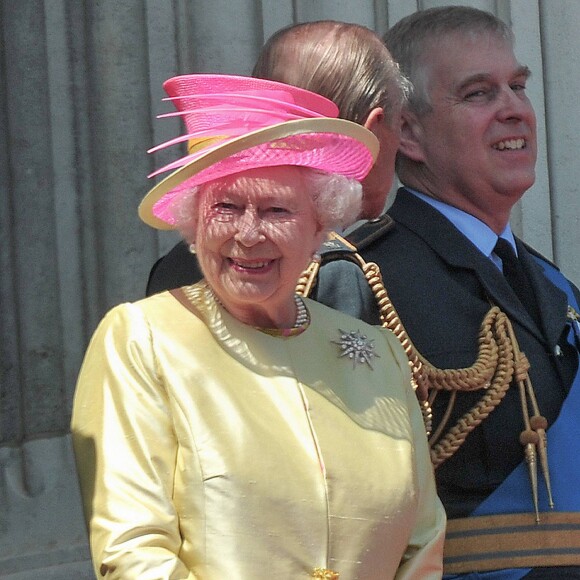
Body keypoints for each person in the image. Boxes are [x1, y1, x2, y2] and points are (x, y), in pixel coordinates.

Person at [71, 74, 445, 579]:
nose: (248, 235)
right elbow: (134, 550)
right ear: (194, 219)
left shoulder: (377, 352)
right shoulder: (142, 339)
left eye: (276, 210)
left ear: (319, 226)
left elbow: (422, 541)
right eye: (226, 206)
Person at [315, 6, 580, 578]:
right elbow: (337, 504)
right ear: (407, 131)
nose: (514, 109)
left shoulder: (553, 286)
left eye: (518, 86)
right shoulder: (361, 276)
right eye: (479, 94)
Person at [145, 20, 409, 296]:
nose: (248, 235)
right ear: (373, 130)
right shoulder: (337, 272)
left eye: (276, 212)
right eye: (400, 125)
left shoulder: (175, 262)